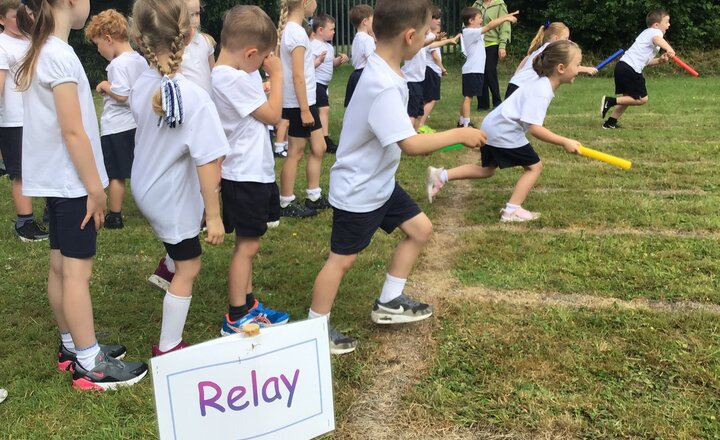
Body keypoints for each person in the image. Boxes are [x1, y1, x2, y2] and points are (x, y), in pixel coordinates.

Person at [308, 0, 486, 355]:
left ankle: (389, 301)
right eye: (425, 33)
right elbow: (410, 145)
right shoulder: (383, 82)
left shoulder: (386, 69)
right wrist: (459, 135)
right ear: (409, 37)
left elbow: (394, 128)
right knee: (341, 260)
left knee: (420, 230)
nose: (428, 37)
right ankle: (314, 330)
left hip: (380, 184)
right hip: (359, 189)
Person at [15, 0, 146, 390]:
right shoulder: (59, 54)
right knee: (76, 273)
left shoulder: (41, 49)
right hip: (72, 183)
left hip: (56, 180)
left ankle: (72, 346)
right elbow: (73, 131)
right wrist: (95, 188)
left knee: (60, 266)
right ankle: (90, 363)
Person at [129, 0, 229, 356]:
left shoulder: (142, 80)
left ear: (140, 38)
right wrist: (214, 215)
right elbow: (207, 162)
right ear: (189, 38)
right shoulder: (194, 97)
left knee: (177, 251)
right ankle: (169, 346)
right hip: (168, 197)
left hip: (145, 183)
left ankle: (168, 262)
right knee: (190, 266)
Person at [428, 40, 584, 222]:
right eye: (578, 65)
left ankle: (441, 175)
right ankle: (512, 210)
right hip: (504, 131)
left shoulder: (541, 82)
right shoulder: (542, 90)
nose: (580, 69)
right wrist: (565, 141)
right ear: (561, 68)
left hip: (494, 126)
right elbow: (535, 129)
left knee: (487, 169)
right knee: (534, 167)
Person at [211, 5, 290, 335]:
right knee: (247, 246)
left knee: (250, 241)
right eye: (263, 59)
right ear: (251, 53)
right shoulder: (232, 77)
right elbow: (273, 116)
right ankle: (236, 315)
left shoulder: (229, 74)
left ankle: (249, 303)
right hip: (245, 174)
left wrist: (260, 79)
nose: (264, 64)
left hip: (247, 172)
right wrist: (278, 75)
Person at [85, 9, 148, 230]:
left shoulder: (118, 64)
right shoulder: (140, 61)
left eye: (98, 44)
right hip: (137, 125)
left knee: (116, 174)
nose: (99, 50)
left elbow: (122, 94)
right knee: (140, 169)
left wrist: (104, 85)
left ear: (108, 39)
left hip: (117, 127)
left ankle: (115, 214)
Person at [0, 0, 48, 241]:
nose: (22, 22)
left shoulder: (32, 41)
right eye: (15, 18)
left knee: (45, 163)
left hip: (38, 115)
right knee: (21, 172)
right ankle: (24, 223)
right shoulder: (1, 44)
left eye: (25, 16)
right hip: (14, 120)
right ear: (1, 20)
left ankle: (52, 211)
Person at [277, 0, 328, 218]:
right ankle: (285, 202)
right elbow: (297, 74)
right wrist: (305, 110)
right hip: (300, 104)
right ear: (305, 2)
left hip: (307, 101)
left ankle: (314, 196)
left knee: (319, 147)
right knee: (296, 152)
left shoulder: (295, 31)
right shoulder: (295, 33)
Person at [600, 9, 674, 129]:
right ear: (656, 25)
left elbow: (645, 62)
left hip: (623, 67)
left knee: (628, 98)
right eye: (666, 22)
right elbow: (657, 39)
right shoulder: (655, 33)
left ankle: (610, 123)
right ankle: (610, 101)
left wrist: (660, 60)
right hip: (629, 69)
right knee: (642, 99)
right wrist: (669, 49)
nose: (669, 25)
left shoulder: (647, 34)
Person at [457, 6, 518, 128]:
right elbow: (490, 25)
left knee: (468, 97)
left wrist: (505, 16)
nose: (481, 20)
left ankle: (461, 121)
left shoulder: (474, 31)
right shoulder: (470, 32)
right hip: (472, 70)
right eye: (479, 18)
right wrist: (506, 18)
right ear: (471, 21)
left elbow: (490, 24)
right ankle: (466, 125)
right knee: (468, 98)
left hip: (475, 70)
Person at [505, 21, 597, 98]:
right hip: (520, 88)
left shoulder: (542, 49)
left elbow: (525, 59)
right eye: (566, 38)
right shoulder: (551, 50)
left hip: (515, 84)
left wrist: (515, 76)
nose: (568, 41)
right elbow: (566, 66)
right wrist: (587, 69)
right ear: (556, 38)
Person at [310, 12, 348, 153]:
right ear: (320, 30)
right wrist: (317, 61)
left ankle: (316, 136)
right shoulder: (313, 46)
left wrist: (339, 60)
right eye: (331, 29)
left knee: (318, 110)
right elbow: (306, 66)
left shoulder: (329, 47)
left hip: (323, 84)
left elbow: (330, 64)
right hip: (316, 83)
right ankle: (325, 139)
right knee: (324, 109)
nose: (334, 32)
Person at [473, 0, 511, 111]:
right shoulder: (477, 4)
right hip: (478, 43)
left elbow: (505, 24)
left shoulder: (500, 4)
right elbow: (468, 20)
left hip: (493, 43)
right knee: (480, 73)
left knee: (490, 71)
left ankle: (497, 102)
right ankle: (483, 104)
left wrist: (502, 45)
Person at [180, 0, 214, 94]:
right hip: (188, 104)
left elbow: (213, 74)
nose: (196, 20)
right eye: (191, 14)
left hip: (209, 103)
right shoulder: (172, 46)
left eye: (197, 13)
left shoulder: (206, 41)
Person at [343, 4, 373, 108]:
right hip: (364, 75)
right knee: (366, 106)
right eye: (372, 19)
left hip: (355, 75)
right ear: (365, 22)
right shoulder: (367, 39)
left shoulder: (357, 38)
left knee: (355, 107)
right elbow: (372, 60)